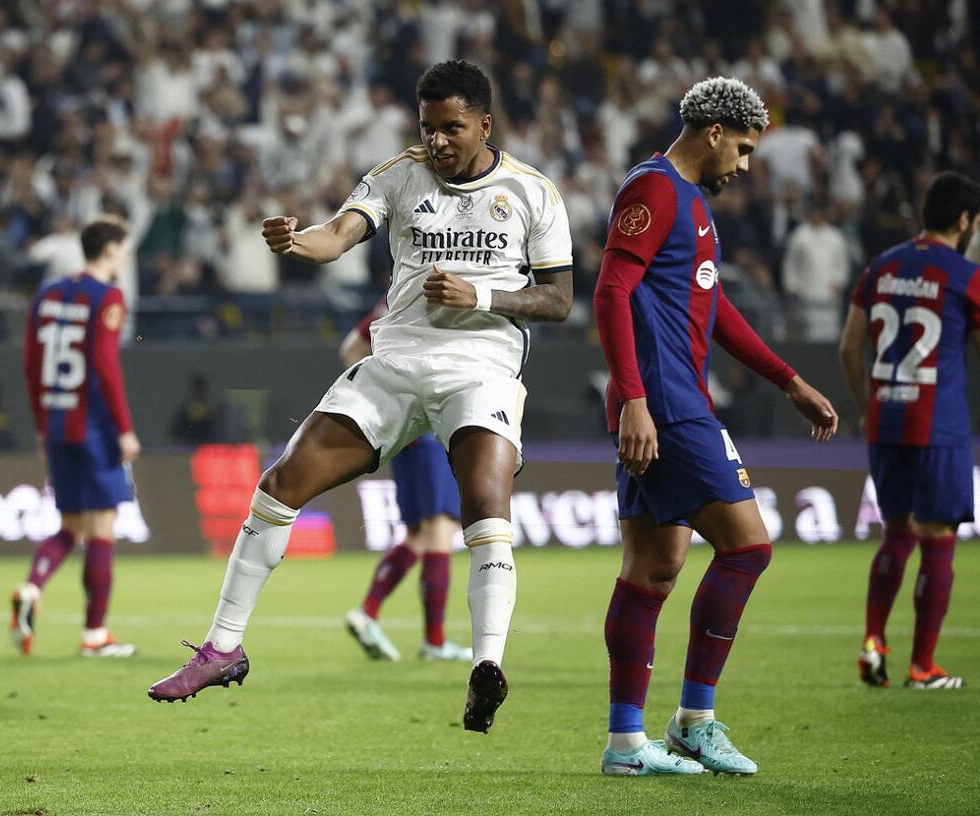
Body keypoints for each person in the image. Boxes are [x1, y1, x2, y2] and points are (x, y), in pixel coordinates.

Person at [148, 60, 574, 736]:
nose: (436, 142)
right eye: (428, 127)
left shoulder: (532, 194)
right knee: (280, 484)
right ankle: (223, 648)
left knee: (485, 507)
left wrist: (481, 295)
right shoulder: (398, 175)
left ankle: (485, 666)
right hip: (396, 362)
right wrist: (299, 242)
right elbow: (340, 233)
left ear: (485, 125)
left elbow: (558, 299)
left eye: (451, 128)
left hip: (482, 366)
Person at [592, 77, 838, 776]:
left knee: (653, 566)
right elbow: (611, 291)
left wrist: (786, 380)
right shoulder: (656, 189)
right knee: (748, 547)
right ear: (713, 133)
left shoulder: (693, 202)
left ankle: (625, 746)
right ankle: (694, 720)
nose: (747, 165)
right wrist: (636, 399)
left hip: (668, 398)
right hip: (667, 404)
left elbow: (712, 306)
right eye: (746, 148)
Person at [839, 171, 980, 691]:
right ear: (965, 220)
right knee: (939, 539)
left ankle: (873, 642)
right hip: (937, 423)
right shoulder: (965, 276)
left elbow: (850, 347)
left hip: (885, 418)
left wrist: (864, 406)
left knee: (896, 533)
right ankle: (923, 667)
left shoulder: (881, 266)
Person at [11, 215, 142, 658]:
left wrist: (39, 424)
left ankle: (31, 588)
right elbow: (106, 366)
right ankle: (94, 635)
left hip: (56, 422)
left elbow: (30, 362)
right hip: (94, 427)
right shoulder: (107, 297)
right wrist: (124, 429)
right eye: (124, 247)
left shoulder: (48, 292)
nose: (126, 255)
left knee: (70, 525)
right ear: (108, 250)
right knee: (102, 527)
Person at [341, 300, 471, 663]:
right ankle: (435, 641)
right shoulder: (439, 300)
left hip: (402, 436)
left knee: (417, 536)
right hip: (431, 429)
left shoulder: (390, 304)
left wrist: (385, 401)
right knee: (440, 530)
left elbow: (350, 348)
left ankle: (367, 611)